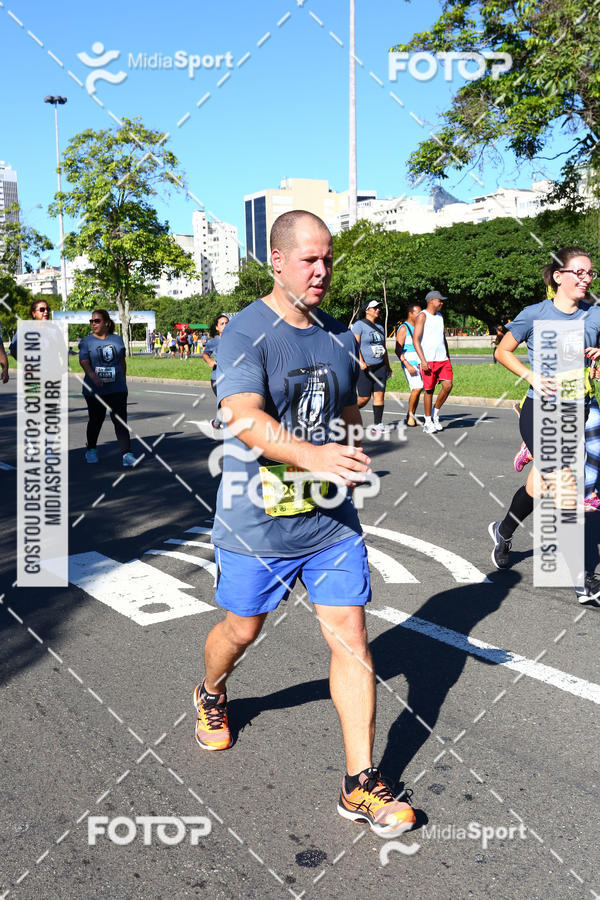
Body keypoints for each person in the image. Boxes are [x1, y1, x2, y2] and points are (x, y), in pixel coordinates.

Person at [194, 210, 417, 838]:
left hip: (330, 522)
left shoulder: (339, 336)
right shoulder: (244, 332)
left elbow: (347, 407)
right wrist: (312, 453)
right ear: (278, 261)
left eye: (327, 259)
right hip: (256, 522)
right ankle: (212, 692)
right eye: (310, 260)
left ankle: (359, 783)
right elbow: (241, 416)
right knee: (242, 628)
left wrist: (345, 446)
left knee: (351, 637)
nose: (322, 271)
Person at [489, 247, 600, 607]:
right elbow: (502, 351)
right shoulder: (534, 314)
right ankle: (582, 579)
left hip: (575, 411)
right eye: (579, 273)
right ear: (559, 276)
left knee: (539, 485)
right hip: (539, 411)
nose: (586, 279)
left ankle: (503, 531)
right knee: (564, 483)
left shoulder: (595, 314)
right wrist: (531, 375)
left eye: (591, 274)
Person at [78, 309, 136, 467]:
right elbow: (84, 361)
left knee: (120, 421)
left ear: (106, 323)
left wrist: (123, 381)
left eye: (97, 321)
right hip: (94, 389)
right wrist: (93, 376)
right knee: (96, 420)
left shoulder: (117, 340)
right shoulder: (87, 341)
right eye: (92, 321)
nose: (93, 324)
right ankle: (91, 449)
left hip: (117, 388)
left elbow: (122, 362)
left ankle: (127, 454)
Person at [412, 290, 453, 434]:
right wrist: (422, 360)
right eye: (439, 300)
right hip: (428, 360)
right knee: (429, 390)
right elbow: (415, 339)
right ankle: (428, 421)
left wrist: (448, 356)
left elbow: (443, 338)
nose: (441, 303)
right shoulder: (422, 316)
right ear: (431, 301)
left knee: (448, 385)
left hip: (442, 359)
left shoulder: (440, 316)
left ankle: (435, 413)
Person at [350, 301, 393, 434]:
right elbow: (354, 346)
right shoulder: (359, 325)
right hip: (365, 368)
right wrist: (361, 362)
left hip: (379, 366)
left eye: (379, 307)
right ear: (367, 310)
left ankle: (378, 424)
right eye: (375, 307)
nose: (378, 309)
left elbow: (384, 347)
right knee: (364, 398)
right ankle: (343, 412)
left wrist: (387, 366)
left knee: (379, 395)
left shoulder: (380, 327)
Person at [395, 303, 423, 427]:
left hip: (419, 362)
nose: (420, 315)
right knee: (417, 387)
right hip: (409, 363)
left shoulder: (418, 326)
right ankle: (410, 416)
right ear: (410, 313)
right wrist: (406, 364)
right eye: (418, 313)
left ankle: (411, 415)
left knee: (418, 389)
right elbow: (397, 349)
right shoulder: (403, 328)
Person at [202, 314, 229, 431]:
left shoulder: (236, 339)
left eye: (227, 323)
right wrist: (209, 361)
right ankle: (227, 429)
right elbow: (205, 353)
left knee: (229, 403)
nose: (225, 325)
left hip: (232, 377)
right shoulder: (214, 341)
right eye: (222, 324)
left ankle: (217, 423)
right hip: (217, 378)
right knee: (225, 403)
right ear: (217, 328)